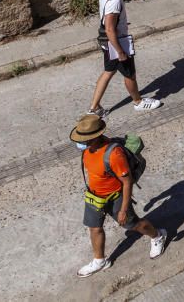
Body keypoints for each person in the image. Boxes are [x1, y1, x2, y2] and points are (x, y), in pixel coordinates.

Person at [70, 114, 167, 277]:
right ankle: (100, 261)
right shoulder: (89, 149)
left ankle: (158, 235)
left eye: (85, 138)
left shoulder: (114, 154)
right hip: (95, 196)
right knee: (94, 228)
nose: (81, 142)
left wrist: (123, 210)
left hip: (115, 197)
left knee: (133, 225)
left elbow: (127, 182)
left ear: (96, 136)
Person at [87, 0, 161, 116]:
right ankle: (138, 102)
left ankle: (94, 109)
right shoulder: (114, 2)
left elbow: (109, 23)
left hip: (106, 41)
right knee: (129, 74)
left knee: (109, 71)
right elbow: (109, 28)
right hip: (116, 42)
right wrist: (120, 51)